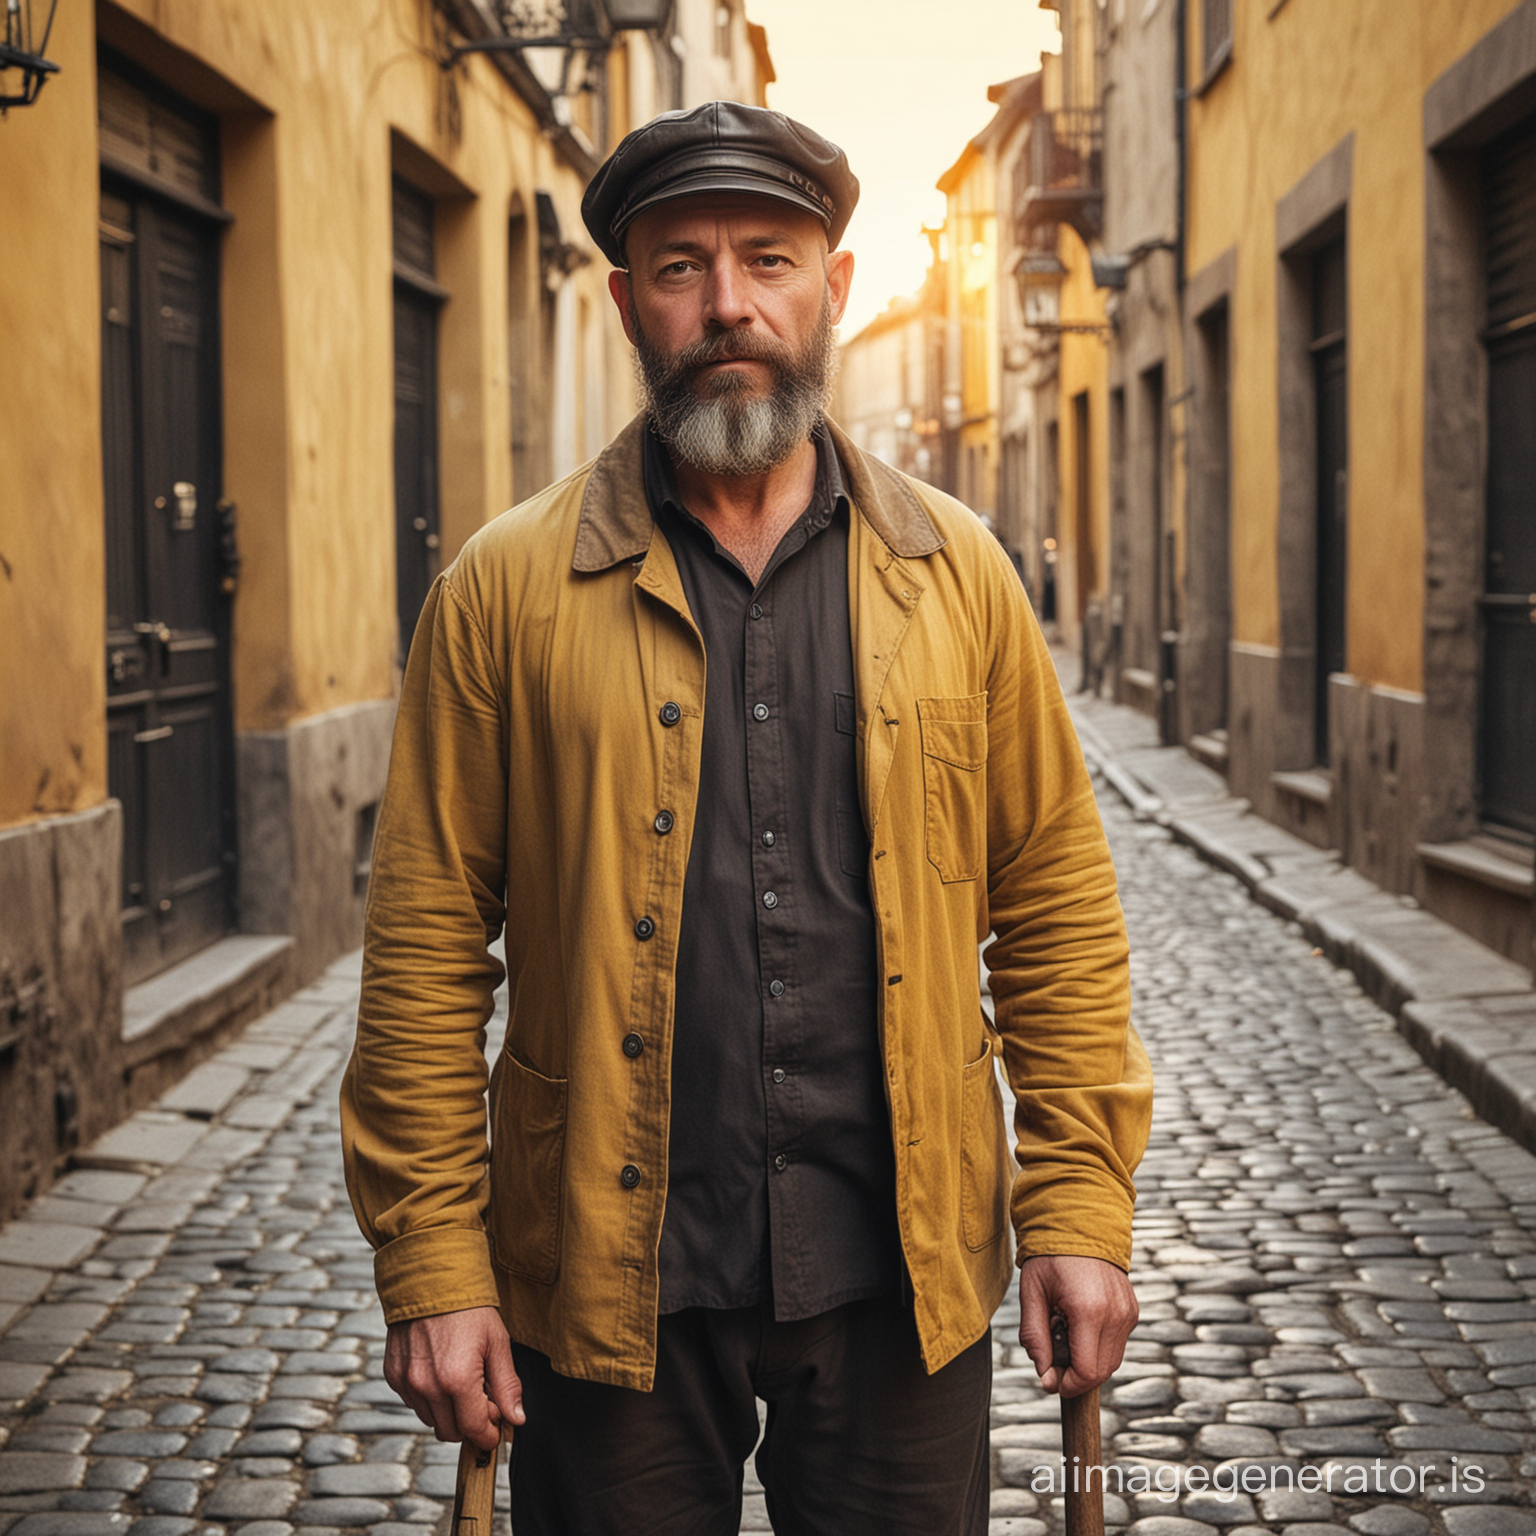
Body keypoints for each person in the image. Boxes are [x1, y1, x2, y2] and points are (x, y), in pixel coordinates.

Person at [341, 100, 1152, 1536]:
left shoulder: (958, 579)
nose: (729, 304)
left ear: (832, 288)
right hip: (609, 1279)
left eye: (768, 259)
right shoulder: (503, 590)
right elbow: (423, 946)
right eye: (680, 266)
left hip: (901, 1282)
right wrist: (436, 1262)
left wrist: (1077, 1210)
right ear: (625, 302)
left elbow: (1057, 911)